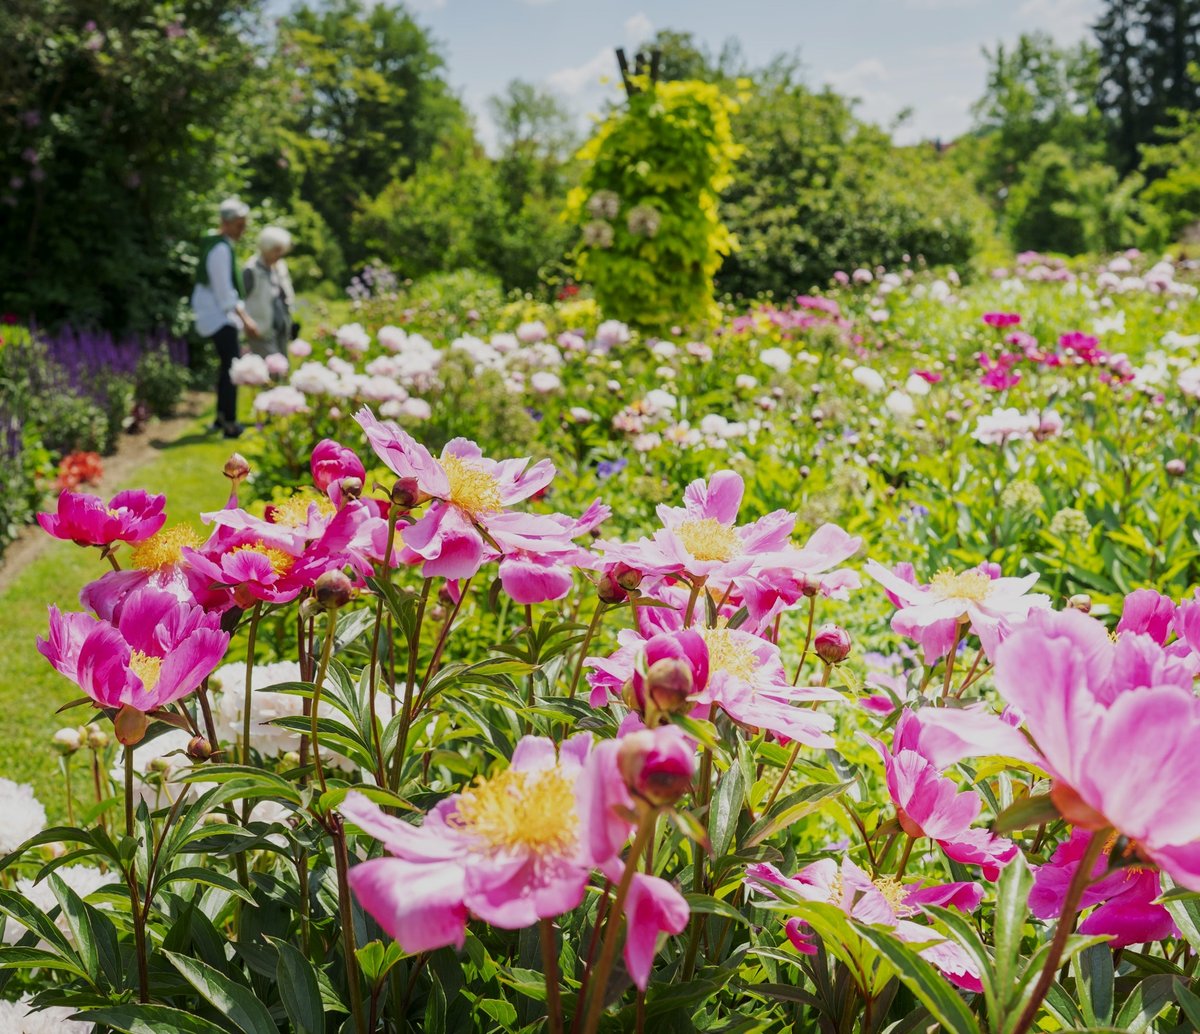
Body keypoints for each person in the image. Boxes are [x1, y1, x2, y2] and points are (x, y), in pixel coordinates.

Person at [191, 198, 258, 438]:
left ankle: (221, 418)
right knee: (232, 370)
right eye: (239, 225)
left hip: (218, 315)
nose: (243, 230)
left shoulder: (220, 245)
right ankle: (230, 423)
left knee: (225, 370)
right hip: (219, 317)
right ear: (226, 224)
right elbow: (225, 293)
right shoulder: (220, 249)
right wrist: (246, 319)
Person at [242, 226, 295, 357]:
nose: (279, 254)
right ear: (266, 248)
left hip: (281, 329)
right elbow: (239, 300)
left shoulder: (280, 266)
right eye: (276, 250)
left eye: (281, 250)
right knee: (269, 371)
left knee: (282, 369)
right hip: (261, 331)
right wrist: (247, 322)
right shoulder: (251, 269)